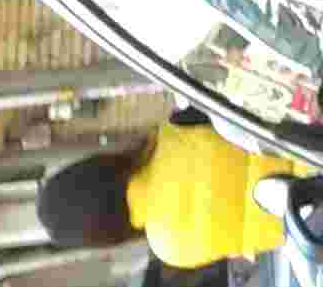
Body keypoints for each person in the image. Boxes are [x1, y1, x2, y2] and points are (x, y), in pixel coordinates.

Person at [38, 111, 301, 267]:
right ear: (88, 169)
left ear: (98, 236)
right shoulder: (174, 130)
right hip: (314, 143)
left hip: (315, 213)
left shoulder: (170, 249)